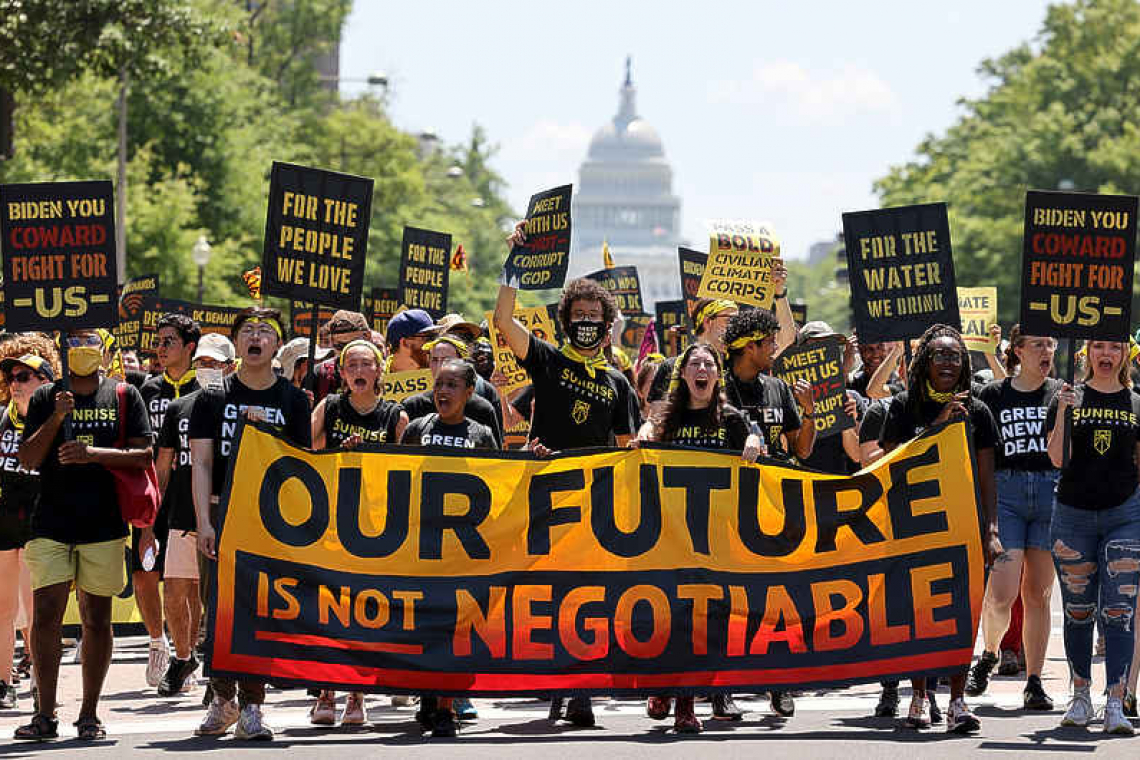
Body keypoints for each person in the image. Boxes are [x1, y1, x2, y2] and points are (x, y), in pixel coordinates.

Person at [493, 222, 636, 727]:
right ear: (566, 320)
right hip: (547, 493)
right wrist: (515, 262)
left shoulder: (619, 383)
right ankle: (557, 676)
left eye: (595, 317)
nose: (587, 323)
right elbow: (504, 321)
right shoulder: (548, 362)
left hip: (597, 503)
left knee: (590, 595)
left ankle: (582, 687)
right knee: (551, 590)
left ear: (607, 323)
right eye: (578, 316)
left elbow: (626, 449)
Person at [15, 328, 153, 741]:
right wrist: (58, 416)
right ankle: (45, 714)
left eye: (90, 341)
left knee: (97, 619)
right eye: (74, 342)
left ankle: (89, 713)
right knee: (46, 618)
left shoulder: (124, 394)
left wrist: (92, 454)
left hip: (104, 523)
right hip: (52, 523)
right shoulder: (45, 397)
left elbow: (144, 453)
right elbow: (27, 459)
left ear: (106, 349)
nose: (81, 349)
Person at [189, 307, 311, 740]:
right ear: (236, 343)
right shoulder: (212, 397)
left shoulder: (295, 401)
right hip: (221, 512)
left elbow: (302, 469)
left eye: (265, 331)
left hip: (268, 518)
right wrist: (204, 520)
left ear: (277, 345)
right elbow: (201, 463)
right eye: (247, 331)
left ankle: (253, 706)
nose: (255, 337)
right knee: (218, 610)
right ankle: (222, 699)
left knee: (258, 610)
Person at [633, 344, 763, 733]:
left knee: (703, 622)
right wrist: (643, 436)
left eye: (709, 364)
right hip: (671, 538)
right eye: (695, 364)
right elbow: (647, 440)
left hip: (715, 540)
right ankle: (662, 688)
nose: (702, 369)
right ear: (684, 375)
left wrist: (755, 442)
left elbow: (755, 453)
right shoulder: (667, 418)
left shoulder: (732, 419)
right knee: (671, 619)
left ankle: (686, 704)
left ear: (717, 375)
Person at [878, 324, 1000, 734]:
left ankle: (958, 701)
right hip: (913, 524)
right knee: (919, 613)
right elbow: (889, 463)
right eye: (940, 356)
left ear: (964, 364)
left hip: (962, 523)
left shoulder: (979, 412)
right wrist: (940, 425)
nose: (948, 362)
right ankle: (919, 695)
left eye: (955, 356)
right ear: (923, 364)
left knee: (960, 615)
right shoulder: (902, 407)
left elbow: (987, 479)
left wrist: (991, 530)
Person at [307, 339, 408, 728]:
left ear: (379, 371)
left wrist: (368, 455)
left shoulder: (393, 415)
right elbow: (306, 449)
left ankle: (357, 694)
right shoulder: (329, 407)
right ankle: (326, 692)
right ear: (343, 373)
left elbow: (405, 468)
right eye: (352, 365)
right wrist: (338, 451)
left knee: (362, 611)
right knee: (328, 607)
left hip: (374, 528)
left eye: (367, 364)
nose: (360, 371)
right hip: (331, 521)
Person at [719, 307, 813, 718]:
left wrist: (809, 411)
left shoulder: (778, 388)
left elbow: (802, 449)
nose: (776, 348)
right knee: (727, 600)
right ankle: (722, 687)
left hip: (774, 510)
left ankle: (778, 682)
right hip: (726, 510)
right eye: (770, 342)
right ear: (750, 346)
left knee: (776, 598)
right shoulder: (717, 388)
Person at [1046, 337, 1140, 735]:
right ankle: (1080, 694)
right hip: (1072, 515)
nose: (1107, 354)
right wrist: (1065, 412)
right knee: (1079, 611)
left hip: (1125, 515)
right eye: (1099, 346)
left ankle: (1116, 700)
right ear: (1086, 353)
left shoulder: (1137, 403)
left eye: (1115, 348)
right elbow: (1054, 457)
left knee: (1120, 612)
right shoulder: (1067, 396)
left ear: (1126, 356)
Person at [400, 358, 497, 736]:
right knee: (426, 624)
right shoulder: (417, 429)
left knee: (454, 626)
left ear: (469, 392)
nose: (442, 391)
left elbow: (501, 482)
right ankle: (429, 697)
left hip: (462, 551)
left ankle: (445, 708)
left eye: (452, 385)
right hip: (423, 547)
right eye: (438, 384)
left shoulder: (482, 435)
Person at [967, 328, 1059, 711]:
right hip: (1006, 494)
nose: (1047, 351)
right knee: (1001, 592)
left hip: (1050, 494)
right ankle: (989, 652)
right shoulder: (992, 395)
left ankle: (1034, 680)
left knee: (1038, 593)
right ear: (1017, 351)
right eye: (1038, 344)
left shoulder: (1060, 392)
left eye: (1051, 345)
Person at [151, 333, 236, 698]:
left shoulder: (238, 407)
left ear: (230, 367)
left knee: (215, 595)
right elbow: (164, 465)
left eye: (215, 364)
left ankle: (216, 663)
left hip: (226, 512)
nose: (207, 369)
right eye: (202, 363)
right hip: (182, 514)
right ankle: (184, 658)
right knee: (174, 591)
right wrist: (151, 512)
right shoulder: (179, 407)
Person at [136, 313, 202, 690]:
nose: (160, 349)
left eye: (168, 342)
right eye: (157, 342)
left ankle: (185, 652)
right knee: (145, 571)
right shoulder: (149, 389)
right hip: (152, 490)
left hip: (187, 494)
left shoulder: (206, 388)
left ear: (189, 348)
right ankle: (156, 642)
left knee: (186, 585)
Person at [0, 341, 57, 711]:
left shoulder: (53, 419)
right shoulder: (0, 419)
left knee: (39, 611)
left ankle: (42, 681)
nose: (14, 383)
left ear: (44, 382)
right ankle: (3, 682)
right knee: (2, 608)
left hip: (42, 523)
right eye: (9, 377)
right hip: (4, 522)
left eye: (23, 376)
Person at [400, 335, 503, 447]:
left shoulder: (483, 410)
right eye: (434, 360)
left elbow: (495, 460)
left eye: (446, 360)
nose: (440, 365)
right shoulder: (414, 406)